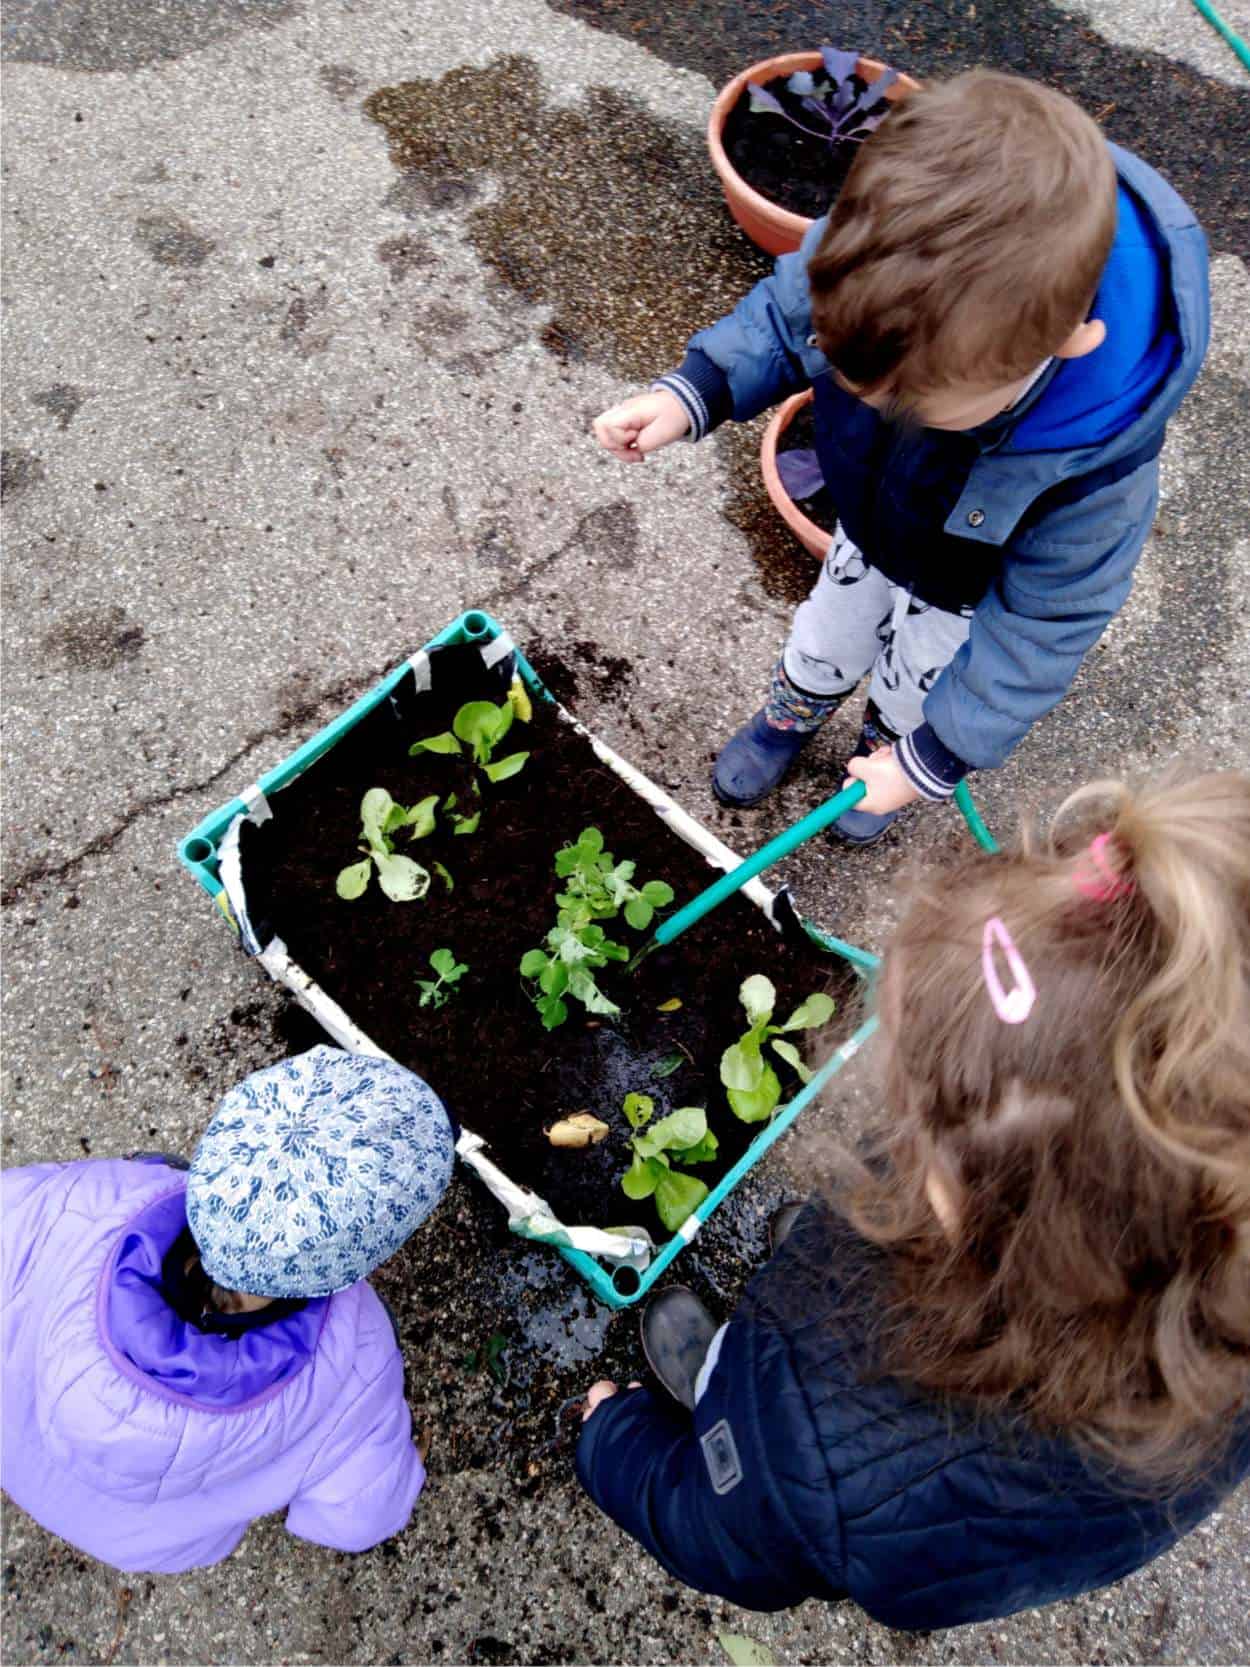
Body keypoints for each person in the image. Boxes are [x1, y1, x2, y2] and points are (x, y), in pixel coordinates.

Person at [577, 770, 1250, 1628]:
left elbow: (722, 1536)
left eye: (924, 1119)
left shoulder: (826, 1453)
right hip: (1047, 1513)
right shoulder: (1212, 1288)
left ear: (1008, 1222)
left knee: (739, 1444)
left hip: (819, 1475)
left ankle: (711, 1392)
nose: (896, 1125)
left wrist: (616, 1447)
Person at [593, 70, 1209, 843]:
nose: (876, 400)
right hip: (868, 529)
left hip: (962, 590)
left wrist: (933, 757)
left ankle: (877, 758)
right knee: (825, 636)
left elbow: (1045, 628)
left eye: (912, 401)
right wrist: (694, 392)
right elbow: (788, 321)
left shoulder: (1094, 464)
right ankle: (790, 718)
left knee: (917, 682)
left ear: (1067, 342)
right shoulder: (881, 253)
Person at [1, 1044, 455, 1574]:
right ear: (364, 1258)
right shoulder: (358, 1364)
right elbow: (359, 1518)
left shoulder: (75, 1198)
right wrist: (403, 1475)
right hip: (156, 1543)